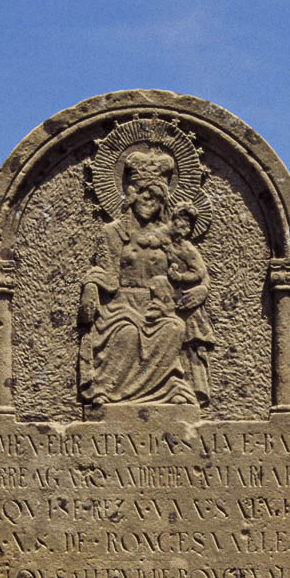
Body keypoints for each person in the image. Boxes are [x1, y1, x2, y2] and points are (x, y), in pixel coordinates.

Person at [78, 149, 197, 407]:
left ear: (164, 201)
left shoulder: (169, 236)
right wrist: (89, 285)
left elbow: (193, 267)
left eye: (155, 196)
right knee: (128, 332)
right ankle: (107, 390)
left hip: (157, 305)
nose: (148, 201)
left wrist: (203, 289)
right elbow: (107, 276)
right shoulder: (112, 232)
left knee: (175, 328)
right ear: (131, 194)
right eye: (144, 193)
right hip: (121, 306)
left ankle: (161, 390)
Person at [167, 201, 215, 407]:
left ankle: (197, 391)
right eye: (181, 222)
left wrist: (179, 276)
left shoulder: (187, 248)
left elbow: (199, 273)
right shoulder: (161, 242)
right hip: (168, 303)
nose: (184, 228)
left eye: (188, 225)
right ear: (173, 219)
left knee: (191, 347)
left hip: (188, 306)